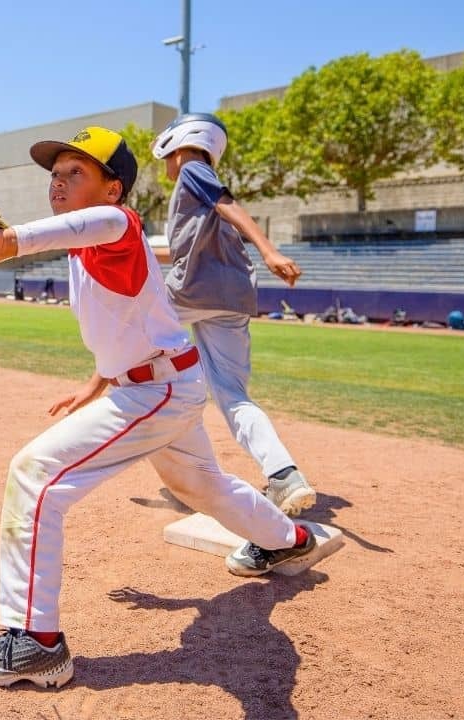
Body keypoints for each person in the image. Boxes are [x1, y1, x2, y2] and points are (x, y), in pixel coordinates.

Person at [0, 127, 317, 690]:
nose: (58, 182)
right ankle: (289, 542)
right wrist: (96, 383)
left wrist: (10, 240)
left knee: (34, 475)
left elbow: (94, 225)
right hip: (161, 382)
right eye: (55, 174)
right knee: (204, 487)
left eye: (76, 172)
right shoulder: (86, 246)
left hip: (157, 391)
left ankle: (35, 643)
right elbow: (128, 324)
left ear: (113, 188)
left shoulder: (118, 224)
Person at [149, 113, 316, 516]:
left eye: (166, 157)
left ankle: (189, 476)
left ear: (178, 145)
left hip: (195, 289)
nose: (166, 166)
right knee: (233, 396)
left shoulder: (192, 170)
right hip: (232, 298)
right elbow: (183, 248)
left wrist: (269, 250)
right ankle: (284, 477)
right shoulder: (197, 196)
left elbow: (228, 204)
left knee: (134, 352)